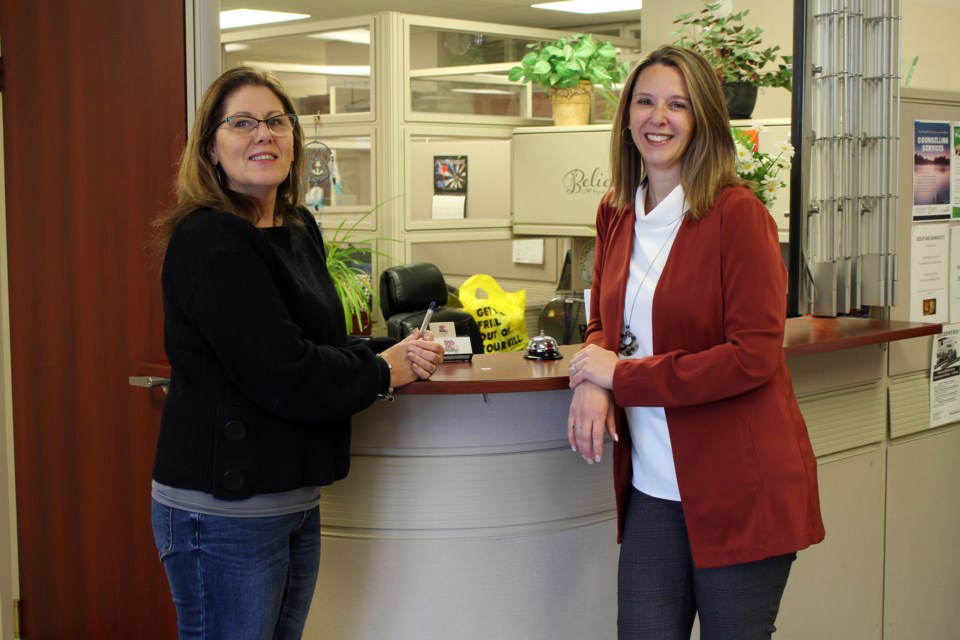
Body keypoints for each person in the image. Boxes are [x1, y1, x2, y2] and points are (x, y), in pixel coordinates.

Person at [150, 66, 444, 640]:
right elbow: (285, 372)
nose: (263, 134)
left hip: (289, 498)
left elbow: (317, 342)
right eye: (241, 123)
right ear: (211, 147)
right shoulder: (210, 238)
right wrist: (385, 369)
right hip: (223, 511)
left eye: (276, 121)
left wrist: (395, 348)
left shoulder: (295, 224)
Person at [565, 45, 825, 639]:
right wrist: (591, 379)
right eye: (646, 102)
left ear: (703, 118)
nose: (659, 118)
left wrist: (619, 377)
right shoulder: (615, 214)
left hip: (738, 487)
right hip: (654, 488)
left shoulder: (738, 216)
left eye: (678, 105)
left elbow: (752, 357)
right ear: (627, 116)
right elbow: (602, 321)